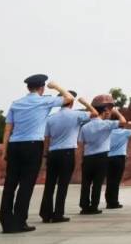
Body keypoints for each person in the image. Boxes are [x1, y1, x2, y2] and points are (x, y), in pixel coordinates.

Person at [0, 75, 74, 234]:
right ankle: (19, 222)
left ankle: (6, 222)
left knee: (10, 184)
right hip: (32, 145)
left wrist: (4, 150)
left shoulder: (16, 103)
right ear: (42, 88)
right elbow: (69, 98)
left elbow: (7, 128)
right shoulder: (44, 101)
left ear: (28, 88)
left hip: (14, 145)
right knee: (26, 184)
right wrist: (57, 86)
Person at [39, 91, 98, 223]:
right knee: (63, 185)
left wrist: (46, 154)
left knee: (50, 184)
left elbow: (46, 138)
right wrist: (85, 103)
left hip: (53, 153)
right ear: (71, 102)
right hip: (67, 153)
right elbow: (95, 114)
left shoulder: (51, 118)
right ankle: (58, 214)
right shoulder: (76, 115)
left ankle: (45, 213)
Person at [78, 95, 128, 214]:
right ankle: (94, 206)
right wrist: (117, 113)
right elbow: (123, 122)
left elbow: (81, 144)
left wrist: (82, 158)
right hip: (101, 157)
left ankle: (84, 206)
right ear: (104, 111)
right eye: (109, 110)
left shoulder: (85, 127)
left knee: (86, 183)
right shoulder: (105, 124)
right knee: (97, 183)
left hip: (87, 156)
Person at [105, 117, 131, 209]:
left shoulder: (108, 132)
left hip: (108, 157)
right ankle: (114, 202)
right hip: (119, 158)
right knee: (116, 181)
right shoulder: (124, 132)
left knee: (109, 180)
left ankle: (108, 201)